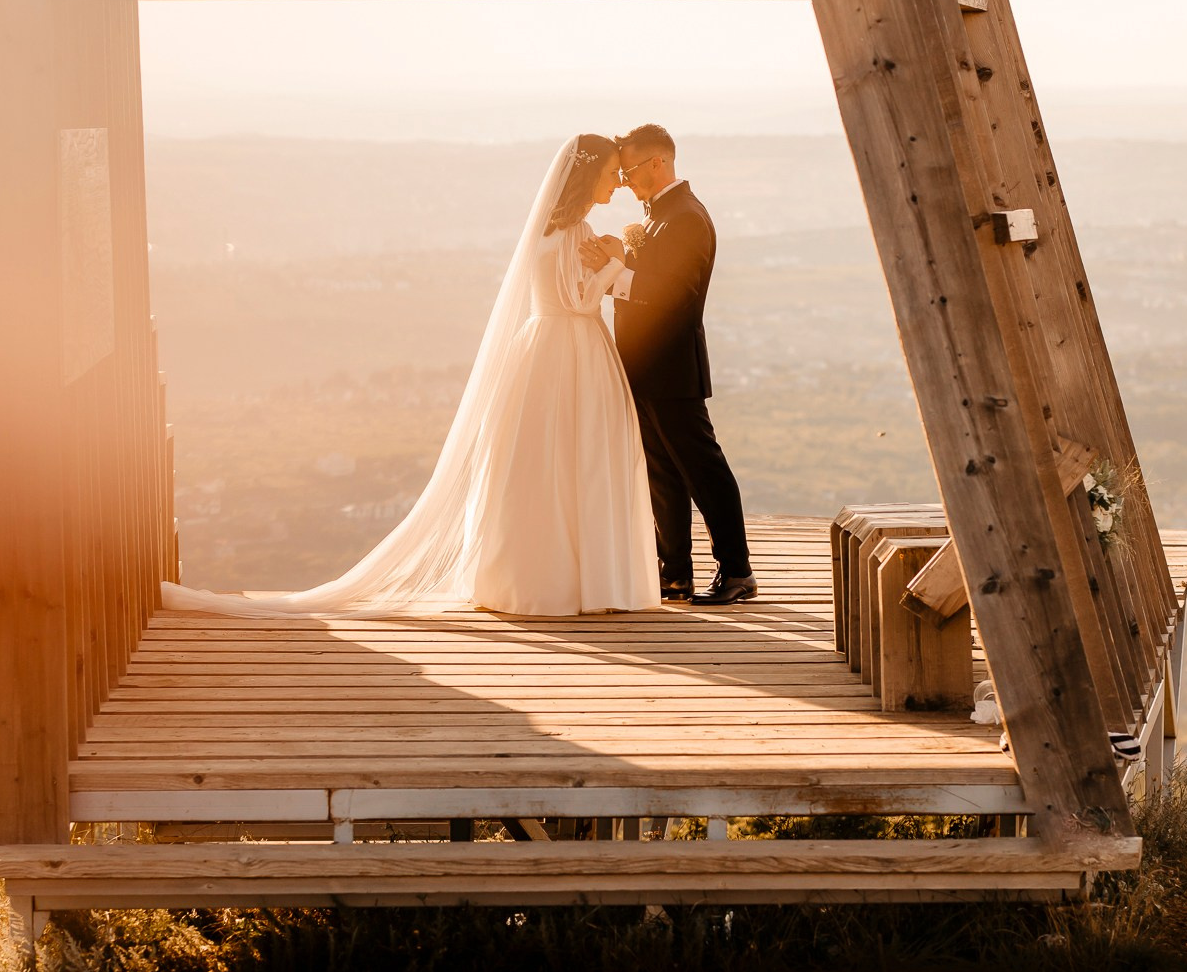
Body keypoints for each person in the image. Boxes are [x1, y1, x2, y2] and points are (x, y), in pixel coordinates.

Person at [161, 133, 659, 617]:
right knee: (573, 460)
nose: (616, 183)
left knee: (555, 464)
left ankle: (554, 578)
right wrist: (617, 260)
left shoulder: (561, 231)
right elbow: (579, 301)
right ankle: (575, 579)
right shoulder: (571, 235)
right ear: (587, 174)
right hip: (567, 352)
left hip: (555, 353)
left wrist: (609, 259)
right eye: (611, 173)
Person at [580, 123, 754, 606]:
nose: (624, 183)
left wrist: (611, 271)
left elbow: (675, 298)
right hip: (646, 367)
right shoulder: (662, 215)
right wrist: (621, 257)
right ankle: (674, 573)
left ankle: (737, 570)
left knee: (704, 470)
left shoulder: (686, 218)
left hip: (674, 368)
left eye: (630, 171)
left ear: (659, 163)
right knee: (664, 473)